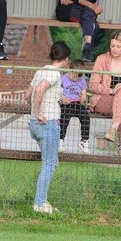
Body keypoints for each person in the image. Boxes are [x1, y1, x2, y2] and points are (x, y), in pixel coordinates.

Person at [27, 40, 71, 214]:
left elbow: (27, 94)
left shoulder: (40, 71)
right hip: (48, 123)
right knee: (49, 164)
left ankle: (41, 201)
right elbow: (39, 90)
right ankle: (40, 203)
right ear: (66, 58)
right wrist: (38, 112)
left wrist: (37, 109)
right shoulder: (55, 73)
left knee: (51, 162)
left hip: (34, 125)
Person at [58, 58, 91, 154]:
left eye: (78, 77)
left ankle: (84, 140)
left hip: (77, 103)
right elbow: (58, 90)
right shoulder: (63, 78)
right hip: (66, 103)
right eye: (74, 76)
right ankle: (60, 140)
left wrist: (83, 97)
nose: (76, 79)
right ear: (70, 70)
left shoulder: (82, 81)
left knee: (86, 117)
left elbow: (84, 93)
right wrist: (62, 97)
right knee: (64, 118)